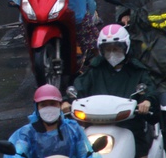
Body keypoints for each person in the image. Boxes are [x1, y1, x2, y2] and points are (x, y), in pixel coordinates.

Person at [62, 24, 158, 158]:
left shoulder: (137, 71)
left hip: (130, 126)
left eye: (116, 48)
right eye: (108, 49)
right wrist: (67, 101)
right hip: (95, 124)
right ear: (102, 50)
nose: (112, 53)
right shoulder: (94, 70)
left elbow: (150, 89)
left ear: (126, 47)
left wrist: (147, 101)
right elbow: (78, 87)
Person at [4, 84, 99, 158]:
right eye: (43, 105)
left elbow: (85, 153)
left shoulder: (73, 129)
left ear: (60, 105)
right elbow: (17, 153)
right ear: (37, 108)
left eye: (52, 104)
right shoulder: (26, 134)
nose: (48, 108)